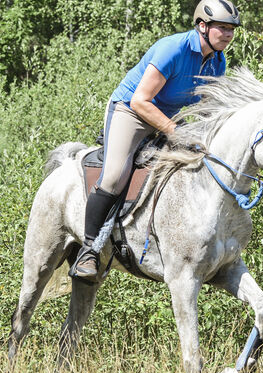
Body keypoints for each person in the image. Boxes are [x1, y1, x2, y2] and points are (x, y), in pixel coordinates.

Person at [71, 0, 241, 282]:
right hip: (131, 110)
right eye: (222, 28)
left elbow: (209, 109)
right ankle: (89, 251)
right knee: (114, 177)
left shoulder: (217, 62)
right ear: (202, 26)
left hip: (164, 116)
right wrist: (176, 131)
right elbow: (140, 100)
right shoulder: (172, 48)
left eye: (231, 29)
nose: (228, 34)